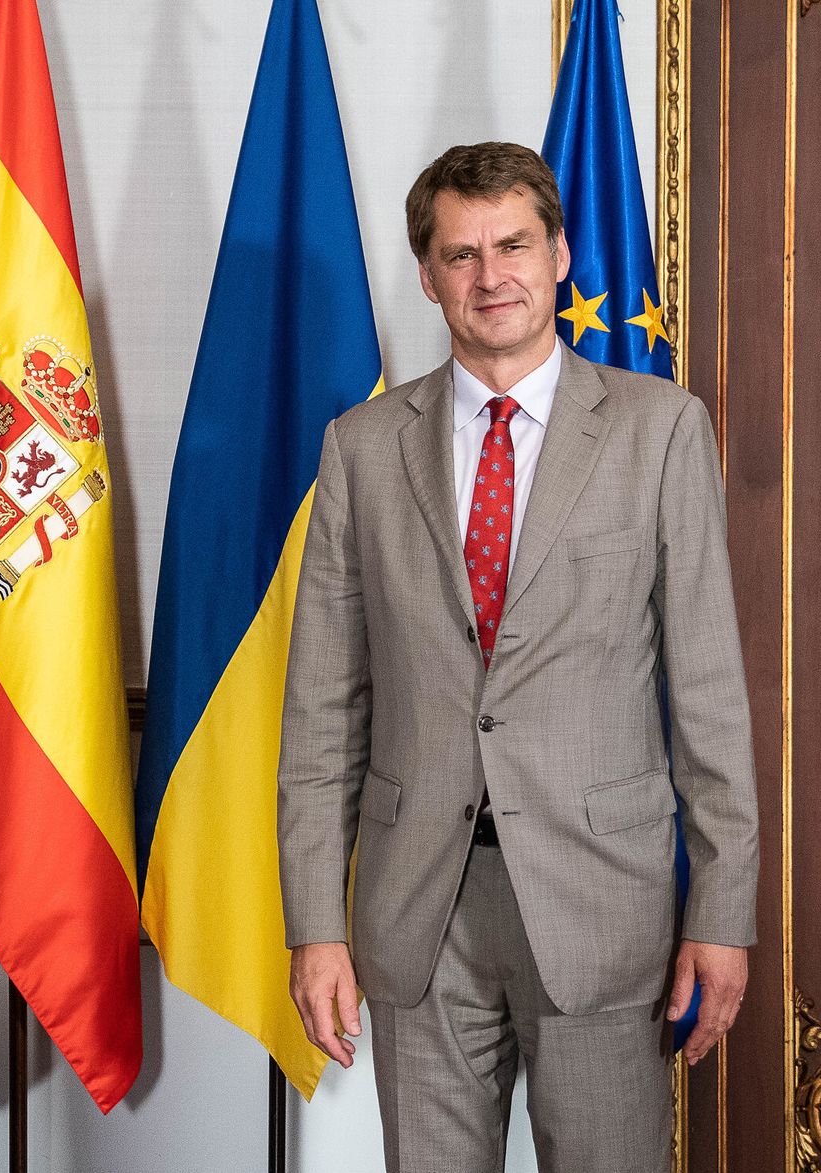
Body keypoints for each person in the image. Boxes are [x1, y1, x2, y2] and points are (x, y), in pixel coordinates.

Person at [277, 142, 758, 1173]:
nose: (489, 277)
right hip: (419, 908)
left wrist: (722, 912)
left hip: (603, 905)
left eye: (512, 246)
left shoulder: (658, 431)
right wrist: (314, 926)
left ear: (558, 253)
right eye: (460, 255)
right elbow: (322, 711)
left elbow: (709, 694)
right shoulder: (360, 448)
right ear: (426, 276)